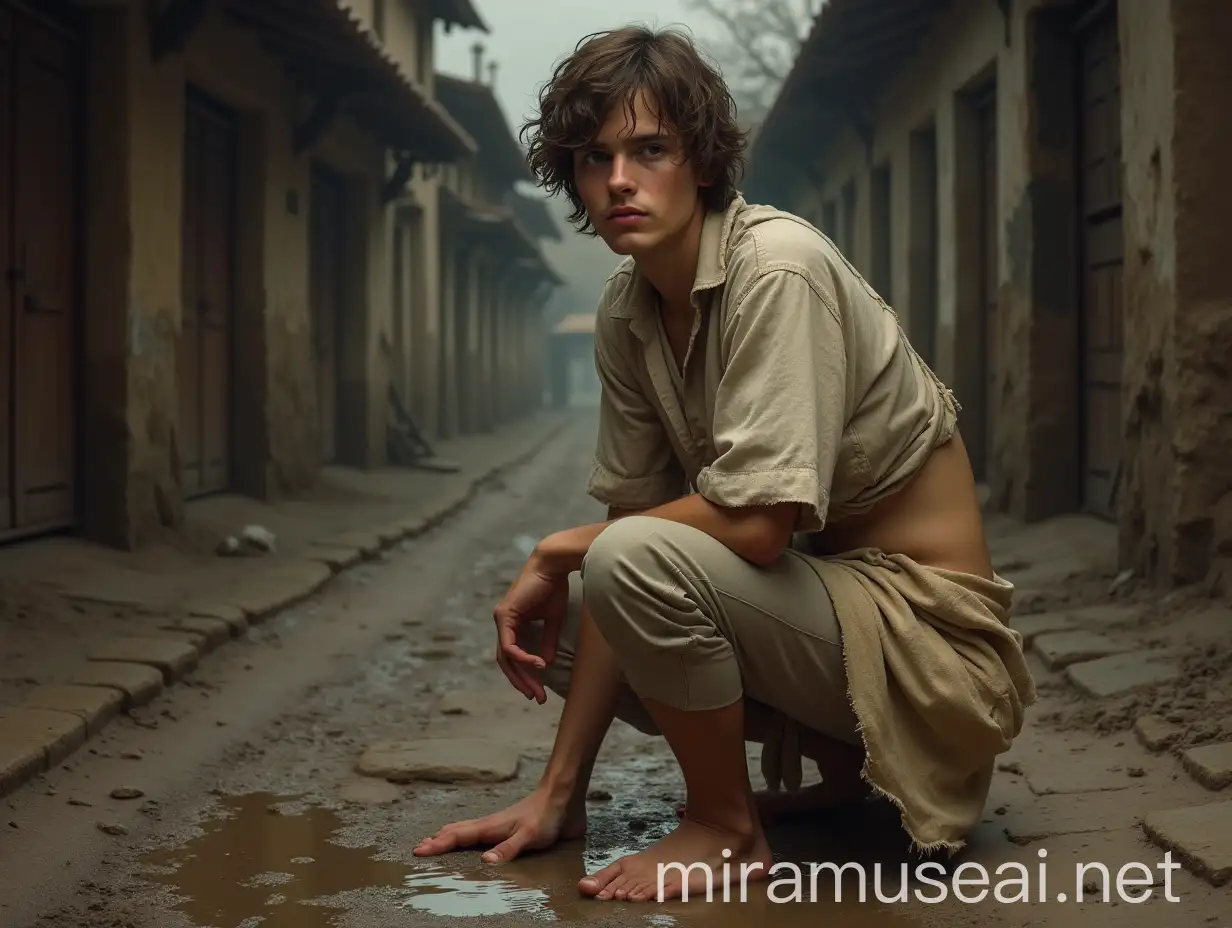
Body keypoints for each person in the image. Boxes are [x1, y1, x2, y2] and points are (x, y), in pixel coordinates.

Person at [413, 24, 1036, 903]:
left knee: (613, 560)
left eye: (650, 149)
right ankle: (852, 771)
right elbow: (636, 545)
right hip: (831, 627)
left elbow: (752, 526)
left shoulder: (777, 270)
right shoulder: (628, 313)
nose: (619, 180)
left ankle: (726, 827)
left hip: (935, 657)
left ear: (701, 160)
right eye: (594, 158)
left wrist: (558, 548)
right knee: (578, 615)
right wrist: (561, 793)